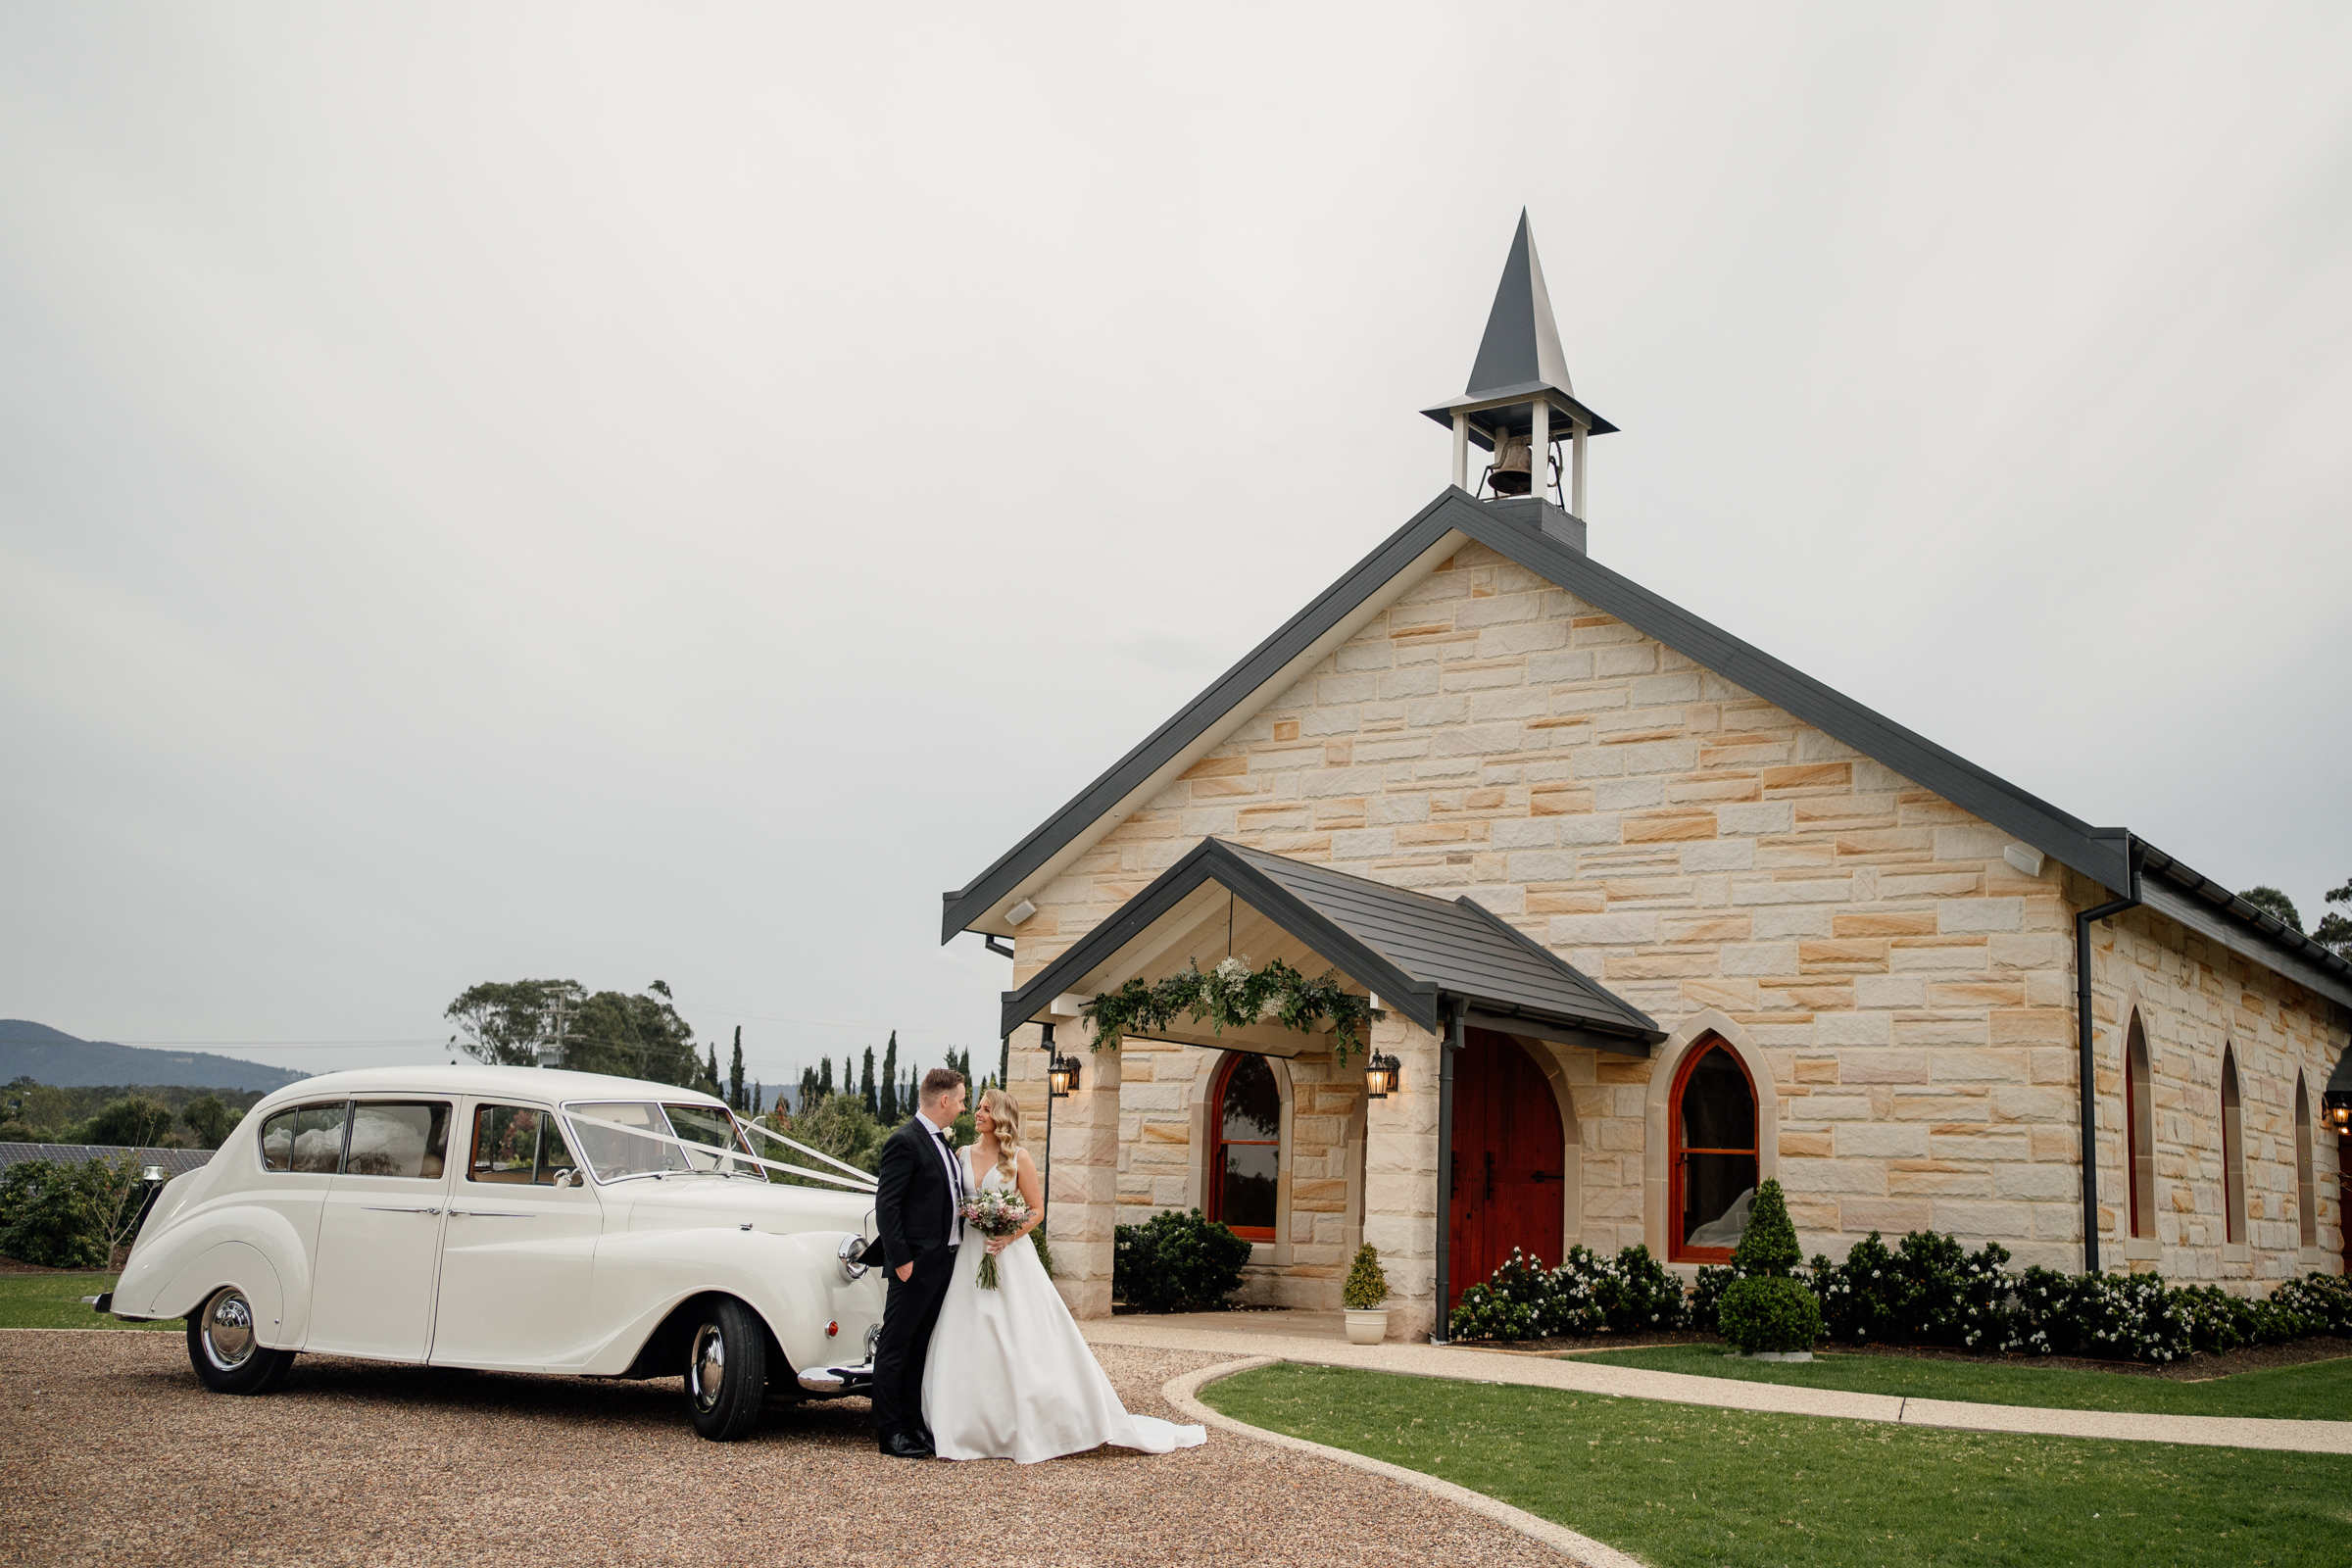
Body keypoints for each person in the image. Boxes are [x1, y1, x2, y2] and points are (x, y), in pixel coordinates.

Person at [922, 1087, 1206, 1463]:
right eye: (977, 1106)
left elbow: (1036, 1210)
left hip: (1007, 1254)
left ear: (1001, 1118)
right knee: (966, 1331)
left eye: (986, 1109)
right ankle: (966, 1425)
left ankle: (1033, 1421)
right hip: (970, 1256)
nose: (977, 1112)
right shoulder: (960, 1155)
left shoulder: (1019, 1158)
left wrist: (1008, 1233)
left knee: (1018, 1335)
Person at [870, 1066, 968, 1458]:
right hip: (914, 1266)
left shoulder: (942, 1145)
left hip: (942, 1265)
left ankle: (912, 1425)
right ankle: (890, 1432)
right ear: (944, 1100)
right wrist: (902, 1260)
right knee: (895, 1348)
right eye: (961, 1100)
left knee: (918, 1349)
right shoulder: (904, 1141)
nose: (963, 1107)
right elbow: (887, 1206)